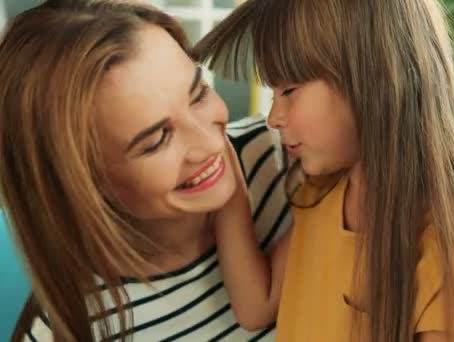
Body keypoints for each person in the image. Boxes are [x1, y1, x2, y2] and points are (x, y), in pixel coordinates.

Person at [198, 0, 454, 341]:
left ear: (373, 80)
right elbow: (255, 306)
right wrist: (223, 172)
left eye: (289, 90)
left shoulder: (450, 252)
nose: (274, 116)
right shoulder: (320, 198)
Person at [0, 1, 288, 341]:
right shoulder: (65, 331)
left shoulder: (300, 156)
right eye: (156, 140)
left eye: (198, 94)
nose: (210, 144)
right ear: (81, 184)